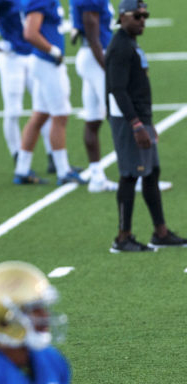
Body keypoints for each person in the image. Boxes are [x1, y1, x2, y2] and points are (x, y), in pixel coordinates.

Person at [106, 0, 187, 252]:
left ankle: (160, 233)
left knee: (151, 173)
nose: (143, 21)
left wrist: (147, 123)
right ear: (122, 17)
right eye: (137, 16)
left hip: (141, 119)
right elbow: (117, 89)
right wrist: (136, 124)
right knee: (130, 175)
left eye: (145, 16)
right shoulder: (120, 47)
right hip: (129, 120)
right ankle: (123, 238)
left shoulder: (130, 42)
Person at [0, 0, 56, 173]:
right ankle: (18, 157)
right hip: (12, 58)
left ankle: (53, 157)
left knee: (44, 107)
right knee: (13, 110)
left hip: (33, 55)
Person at [14, 0, 86, 186]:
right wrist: (53, 50)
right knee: (60, 116)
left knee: (40, 115)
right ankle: (63, 170)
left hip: (42, 61)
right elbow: (30, 33)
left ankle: (22, 168)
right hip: (47, 63)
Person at [70, 0, 119, 193]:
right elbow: (93, 37)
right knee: (120, 116)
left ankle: (96, 177)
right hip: (97, 57)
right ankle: (136, 174)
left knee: (93, 119)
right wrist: (109, 70)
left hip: (90, 58)